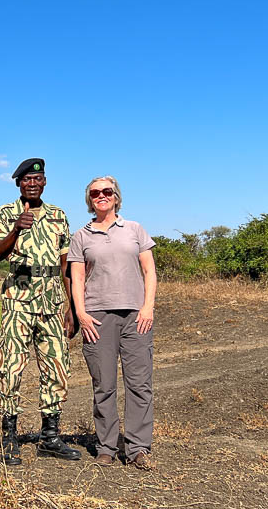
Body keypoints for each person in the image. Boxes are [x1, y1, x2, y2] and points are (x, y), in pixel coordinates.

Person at [0, 158, 80, 466]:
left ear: (44, 183)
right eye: (27, 179)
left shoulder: (58, 216)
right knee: (10, 367)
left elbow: (66, 265)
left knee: (56, 366)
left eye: (38, 179)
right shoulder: (5, 213)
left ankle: (50, 437)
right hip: (19, 298)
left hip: (53, 300)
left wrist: (71, 308)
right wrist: (16, 229)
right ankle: (9, 436)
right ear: (18, 183)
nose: (33, 183)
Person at [67, 176, 157, 469]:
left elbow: (149, 272)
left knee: (139, 384)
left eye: (107, 191)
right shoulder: (81, 236)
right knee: (103, 384)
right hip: (97, 317)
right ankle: (106, 446)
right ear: (89, 199)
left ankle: (138, 448)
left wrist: (148, 308)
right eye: (95, 193)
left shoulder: (134, 229)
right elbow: (76, 278)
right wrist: (80, 313)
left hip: (135, 316)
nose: (101, 196)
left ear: (116, 197)